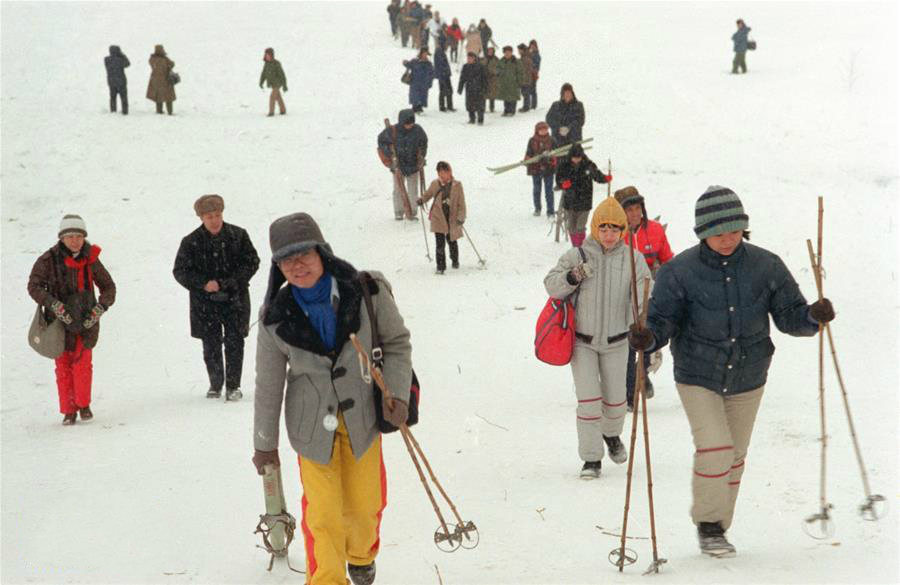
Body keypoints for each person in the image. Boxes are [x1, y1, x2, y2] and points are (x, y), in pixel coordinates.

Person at [628, 186, 836, 556]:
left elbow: (790, 316)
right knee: (716, 448)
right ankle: (709, 525)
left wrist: (812, 317)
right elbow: (662, 322)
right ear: (702, 231)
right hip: (697, 375)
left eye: (735, 231)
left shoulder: (765, 265)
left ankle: (719, 527)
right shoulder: (679, 272)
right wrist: (648, 336)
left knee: (735, 454)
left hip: (749, 374)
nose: (727, 239)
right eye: (718, 232)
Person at [252, 212, 412, 585]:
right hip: (310, 429)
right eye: (286, 259)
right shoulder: (275, 317)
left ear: (322, 252)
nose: (297, 265)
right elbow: (269, 385)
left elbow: (396, 344)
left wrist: (398, 393)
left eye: (304, 254)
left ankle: (360, 556)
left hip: (364, 421)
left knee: (364, 508)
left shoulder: (367, 291)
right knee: (322, 517)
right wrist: (265, 444)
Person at [544, 197, 651, 478]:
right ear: (594, 228)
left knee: (616, 402)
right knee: (589, 401)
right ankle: (591, 459)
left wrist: (641, 325)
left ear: (622, 231)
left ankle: (611, 434)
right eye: (603, 229)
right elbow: (551, 286)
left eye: (615, 229)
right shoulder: (578, 255)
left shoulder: (633, 259)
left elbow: (643, 297)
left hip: (617, 343)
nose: (609, 235)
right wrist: (573, 276)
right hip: (583, 343)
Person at [28, 214, 116, 425]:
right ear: (62, 238)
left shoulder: (91, 259)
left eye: (79, 236)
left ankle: (83, 404)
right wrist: (53, 304)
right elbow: (34, 286)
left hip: (87, 319)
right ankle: (68, 410)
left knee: (83, 363)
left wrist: (100, 307)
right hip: (58, 322)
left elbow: (108, 286)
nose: (75, 240)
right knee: (63, 364)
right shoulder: (48, 259)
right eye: (70, 236)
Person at [173, 195, 260, 401]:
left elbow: (252, 262)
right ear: (201, 217)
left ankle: (233, 386)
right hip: (204, 303)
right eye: (209, 216)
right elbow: (180, 270)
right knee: (210, 344)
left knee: (235, 342)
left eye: (218, 215)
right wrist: (203, 283)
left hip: (235, 299)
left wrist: (227, 283)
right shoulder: (190, 242)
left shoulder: (238, 235)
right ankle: (215, 384)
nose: (214, 220)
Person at [615, 186, 674, 411]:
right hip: (622, 296)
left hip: (650, 295)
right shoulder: (615, 233)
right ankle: (629, 395)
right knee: (629, 345)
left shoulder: (656, 230)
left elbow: (668, 260)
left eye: (638, 208)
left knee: (650, 341)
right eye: (629, 210)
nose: (635, 214)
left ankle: (643, 371)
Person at [555, 144, 612, 247]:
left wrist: (605, 178)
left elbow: (597, 175)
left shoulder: (588, 165)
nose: (577, 160)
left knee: (580, 226)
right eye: (574, 158)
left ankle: (580, 247)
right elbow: (558, 178)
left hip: (584, 201)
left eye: (579, 158)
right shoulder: (564, 166)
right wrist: (562, 184)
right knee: (571, 227)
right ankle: (575, 246)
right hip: (570, 201)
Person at [377, 109, 428, 220]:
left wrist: (422, 156)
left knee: (413, 189)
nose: (410, 125)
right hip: (398, 165)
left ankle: (413, 211)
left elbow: (424, 143)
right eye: (407, 123)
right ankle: (398, 212)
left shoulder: (418, 130)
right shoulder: (392, 131)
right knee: (398, 189)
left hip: (413, 165)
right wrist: (390, 154)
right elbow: (381, 142)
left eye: (411, 123)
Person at [417, 161, 467, 274]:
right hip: (438, 217)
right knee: (439, 243)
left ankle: (455, 260)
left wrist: (461, 217)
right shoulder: (435, 184)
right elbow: (428, 194)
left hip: (452, 218)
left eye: (444, 172)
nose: (441, 175)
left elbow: (461, 203)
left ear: (450, 172)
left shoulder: (457, 185)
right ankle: (440, 267)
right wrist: (421, 200)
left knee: (452, 240)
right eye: (439, 172)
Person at [525, 121, 557, 216]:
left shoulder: (552, 140)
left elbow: (556, 154)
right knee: (537, 190)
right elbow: (528, 153)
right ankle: (537, 208)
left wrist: (550, 157)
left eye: (545, 129)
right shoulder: (532, 140)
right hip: (536, 169)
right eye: (541, 129)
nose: (543, 131)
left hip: (548, 169)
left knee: (549, 191)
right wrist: (527, 160)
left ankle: (550, 211)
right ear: (537, 130)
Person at [457, 51, 487, 125]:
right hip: (469, 89)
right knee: (470, 105)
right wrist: (460, 88)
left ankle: (480, 119)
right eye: (468, 58)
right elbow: (462, 78)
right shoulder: (465, 67)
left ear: (474, 58)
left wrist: (485, 88)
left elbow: (484, 78)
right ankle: (472, 118)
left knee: (480, 105)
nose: (469, 59)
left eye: (470, 58)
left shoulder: (480, 67)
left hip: (479, 89)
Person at [146, 44, 175, 115]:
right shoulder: (165, 59)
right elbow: (172, 64)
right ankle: (170, 111)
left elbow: (152, 63)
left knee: (158, 95)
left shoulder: (152, 59)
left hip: (155, 79)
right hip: (166, 79)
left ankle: (159, 110)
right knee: (169, 96)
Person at [403, 48, 434, 113]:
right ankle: (415, 107)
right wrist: (405, 63)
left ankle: (419, 107)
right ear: (421, 54)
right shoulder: (415, 61)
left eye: (426, 54)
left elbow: (432, 73)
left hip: (424, 83)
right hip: (415, 82)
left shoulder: (429, 64)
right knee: (415, 95)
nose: (425, 55)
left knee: (422, 95)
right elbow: (409, 65)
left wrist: (430, 82)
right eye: (424, 54)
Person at [259, 47, 288, 117]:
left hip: (277, 83)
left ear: (272, 55)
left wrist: (284, 85)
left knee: (272, 97)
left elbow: (282, 74)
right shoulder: (266, 64)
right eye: (266, 55)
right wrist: (261, 82)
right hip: (272, 84)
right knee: (278, 97)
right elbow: (263, 73)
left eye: (268, 55)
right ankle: (283, 110)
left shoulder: (276, 63)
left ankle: (271, 112)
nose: (267, 56)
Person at [496, 45, 523, 116]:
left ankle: (512, 111)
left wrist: (520, 82)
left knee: (513, 98)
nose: (507, 54)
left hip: (514, 83)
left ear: (511, 53)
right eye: (506, 52)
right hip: (504, 83)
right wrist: (499, 73)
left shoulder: (516, 61)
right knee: (505, 98)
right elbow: (497, 69)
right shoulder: (501, 61)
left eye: (509, 52)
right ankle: (506, 110)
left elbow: (520, 72)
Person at [104, 45, 130, 115]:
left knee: (112, 97)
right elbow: (127, 64)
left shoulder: (106, 59)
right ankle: (125, 111)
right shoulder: (120, 59)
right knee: (123, 97)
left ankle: (113, 110)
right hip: (121, 81)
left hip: (111, 81)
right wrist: (123, 55)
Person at [434, 40, 455, 112]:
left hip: (444, 74)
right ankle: (443, 106)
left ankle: (448, 106)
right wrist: (444, 72)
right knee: (444, 90)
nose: (447, 46)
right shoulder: (439, 52)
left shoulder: (440, 51)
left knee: (447, 90)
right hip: (443, 75)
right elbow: (441, 64)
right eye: (446, 44)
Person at [517, 43, 535, 113]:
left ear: (522, 50)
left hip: (525, 79)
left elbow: (524, 70)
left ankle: (526, 107)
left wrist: (522, 79)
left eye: (519, 50)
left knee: (525, 93)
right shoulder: (525, 57)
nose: (518, 51)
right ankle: (526, 106)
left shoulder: (525, 58)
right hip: (526, 79)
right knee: (525, 93)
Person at [481, 46, 499, 113]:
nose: (490, 52)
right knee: (484, 94)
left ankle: (492, 108)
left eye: (491, 51)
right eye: (489, 51)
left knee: (492, 95)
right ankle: (483, 108)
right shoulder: (484, 59)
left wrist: (493, 72)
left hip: (493, 79)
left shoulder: (496, 59)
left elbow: (499, 69)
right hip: (485, 79)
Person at [528, 40, 541, 108]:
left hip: (533, 74)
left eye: (533, 46)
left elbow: (537, 65)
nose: (532, 47)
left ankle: (533, 105)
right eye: (531, 46)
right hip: (528, 74)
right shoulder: (529, 53)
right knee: (528, 90)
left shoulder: (537, 55)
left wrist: (533, 68)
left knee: (533, 90)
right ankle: (529, 104)